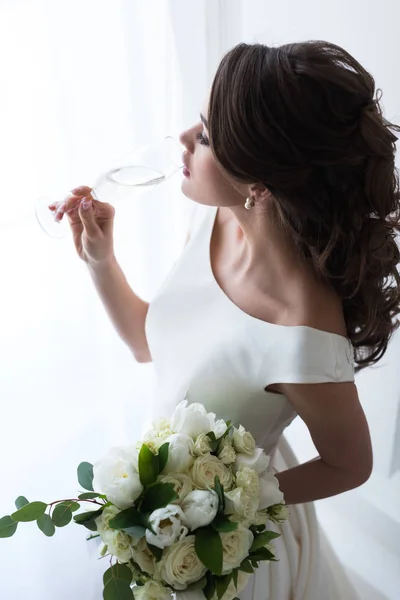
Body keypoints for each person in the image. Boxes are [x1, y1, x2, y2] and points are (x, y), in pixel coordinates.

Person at [56, 41, 400, 599]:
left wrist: (220, 510)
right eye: (200, 122)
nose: (185, 141)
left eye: (208, 137)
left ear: (260, 183)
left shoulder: (302, 332)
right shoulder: (217, 217)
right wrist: (101, 260)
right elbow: (151, 345)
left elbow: (350, 464)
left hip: (227, 551)